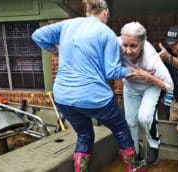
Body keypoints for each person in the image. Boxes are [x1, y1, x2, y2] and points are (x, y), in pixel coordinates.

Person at [32, 1, 146, 172]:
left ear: (87, 11)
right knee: (121, 130)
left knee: (84, 135)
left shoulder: (67, 24)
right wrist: (133, 71)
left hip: (63, 97)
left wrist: (56, 50)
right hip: (95, 97)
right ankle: (135, 166)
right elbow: (112, 72)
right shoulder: (107, 34)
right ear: (105, 13)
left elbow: (38, 36)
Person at [118, 22, 174, 165]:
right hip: (130, 86)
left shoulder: (152, 59)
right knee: (130, 122)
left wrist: (149, 77)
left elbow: (169, 86)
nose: (128, 51)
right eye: (125, 45)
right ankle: (134, 152)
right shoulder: (116, 44)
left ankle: (154, 144)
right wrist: (128, 73)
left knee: (144, 117)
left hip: (150, 86)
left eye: (133, 46)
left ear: (142, 44)